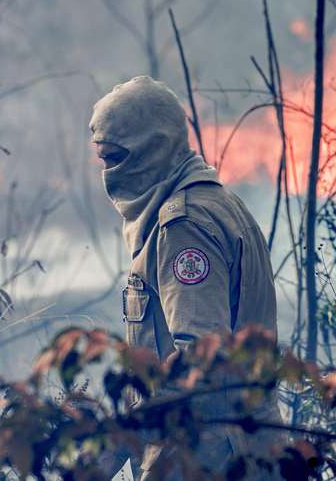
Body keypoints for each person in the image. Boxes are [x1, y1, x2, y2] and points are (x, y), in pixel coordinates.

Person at [90, 76, 281, 479]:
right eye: (103, 160)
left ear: (152, 149)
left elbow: (200, 362)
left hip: (209, 457)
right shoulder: (218, 204)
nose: (109, 173)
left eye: (116, 159)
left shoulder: (185, 224)